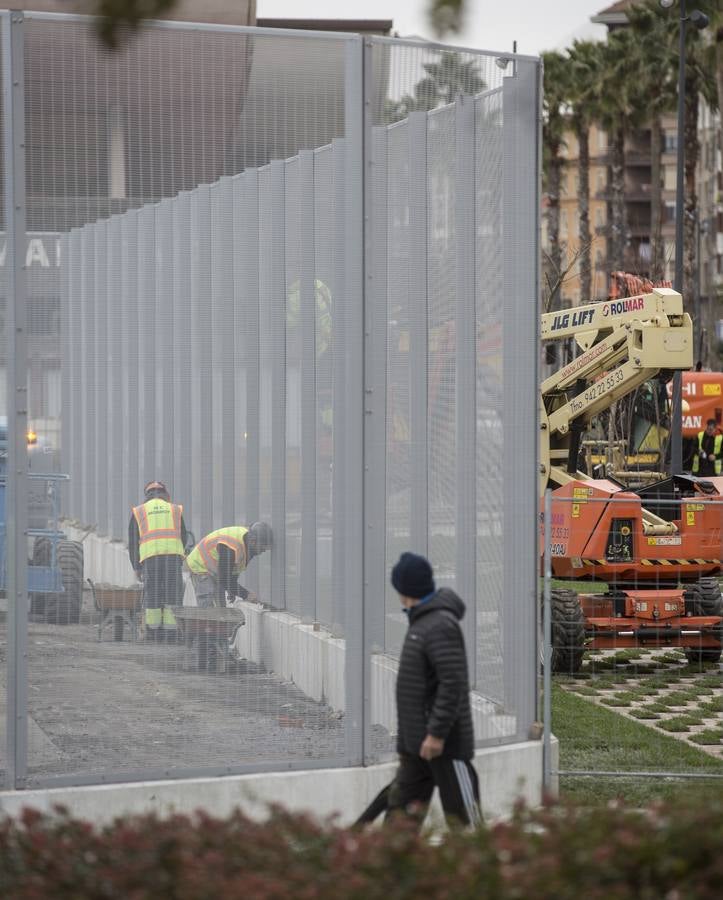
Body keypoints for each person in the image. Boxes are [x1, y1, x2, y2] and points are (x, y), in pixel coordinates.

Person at [357, 552, 481, 829]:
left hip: (445, 749)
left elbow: (453, 683)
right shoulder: (422, 622)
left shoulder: (439, 625)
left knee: (467, 827)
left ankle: (487, 871)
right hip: (419, 749)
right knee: (398, 826)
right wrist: (408, 745)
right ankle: (391, 869)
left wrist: (436, 734)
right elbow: (418, 690)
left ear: (405, 588)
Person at [128, 480, 189, 642]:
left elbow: (133, 541)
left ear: (146, 494)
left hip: (151, 558)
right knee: (173, 593)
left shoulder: (139, 511)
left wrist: (136, 566)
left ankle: (153, 633)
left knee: (152, 593)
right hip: (172, 557)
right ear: (165, 493)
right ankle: (170, 634)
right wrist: (179, 554)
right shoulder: (174, 509)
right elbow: (183, 535)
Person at [185, 522, 272, 608]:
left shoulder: (248, 545)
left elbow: (233, 570)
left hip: (215, 569)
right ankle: (206, 620)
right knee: (207, 602)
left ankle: (218, 620)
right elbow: (224, 579)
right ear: (253, 541)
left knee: (220, 606)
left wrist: (232, 590)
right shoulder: (231, 547)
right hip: (200, 565)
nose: (263, 550)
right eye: (262, 547)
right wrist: (246, 594)